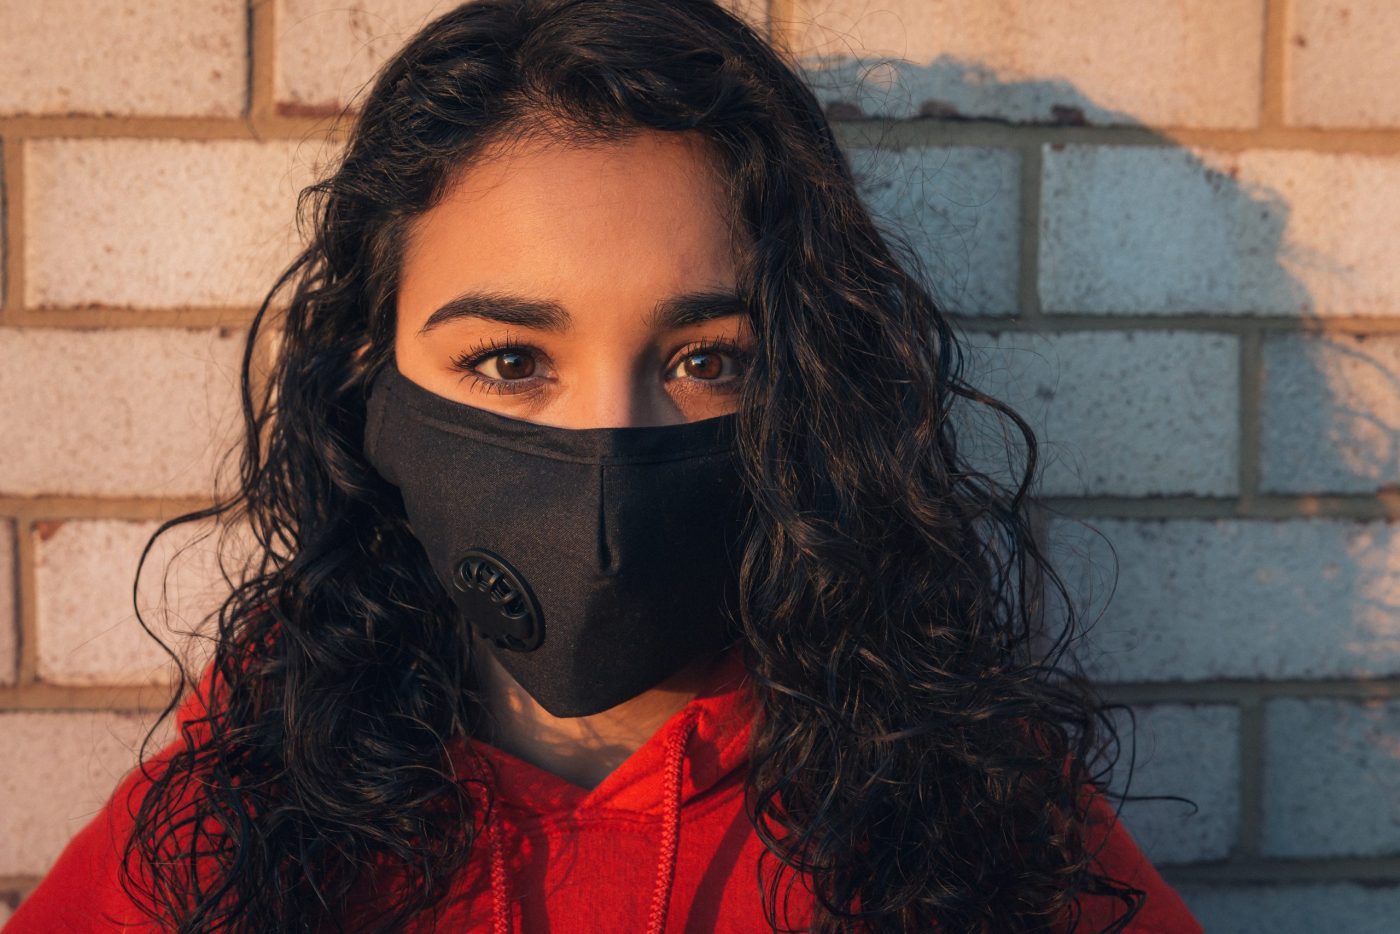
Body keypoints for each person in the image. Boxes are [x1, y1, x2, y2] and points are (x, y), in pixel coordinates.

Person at [5, 1, 1204, 931]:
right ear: (368, 373)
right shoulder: (249, 796)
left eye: (704, 357)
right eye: (509, 358)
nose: (602, 448)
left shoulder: (948, 798)